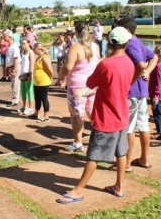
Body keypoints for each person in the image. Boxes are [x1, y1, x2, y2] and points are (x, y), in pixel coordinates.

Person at [56, 27, 134, 204]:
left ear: (110, 42)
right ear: (127, 43)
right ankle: (119, 186)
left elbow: (90, 83)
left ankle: (78, 190)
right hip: (122, 114)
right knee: (121, 153)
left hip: (107, 116)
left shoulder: (106, 64)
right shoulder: (128, 61)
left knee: (94, 155)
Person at [117, 17, 157, 171]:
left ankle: (126, 163)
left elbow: (140, 64)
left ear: (126, 30)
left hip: (131, 92)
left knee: (129, 128)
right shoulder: (137, 41)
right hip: (141, 91)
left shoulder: (130, 44)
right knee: (143, 126)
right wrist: (147, 70)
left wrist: (131, 80)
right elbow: (153, 57)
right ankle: (144, 159)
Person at [57, 22, 99, 152]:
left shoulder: (75, 47)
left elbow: (68, 67)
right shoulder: (95, 46)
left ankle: (78, 143)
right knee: (91, 111)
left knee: (76, 115)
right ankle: (98, 138)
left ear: (76, 32)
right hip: (92, 85)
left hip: (77, 86)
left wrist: (60, 78)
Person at [30, 43, 53, 122]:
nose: (33, 50)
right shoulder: (38, 57)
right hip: (37, 82)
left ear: (38, 49)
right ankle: (36, 113)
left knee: (44, 98)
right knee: (37, 98)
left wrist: (50, 78)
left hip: (43, 82)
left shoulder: (44, 57)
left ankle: (46, 115)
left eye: (34, 49)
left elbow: (50, 70)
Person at [148, 46, 161, 140]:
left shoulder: (158, 66)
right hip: (160, 91)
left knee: (157, 112)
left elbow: (159, 81)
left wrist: (156, 94)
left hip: (157, 92)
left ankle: (159, 131)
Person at [4, 30, 21, 107]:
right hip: (11, 66)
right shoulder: (9, 47)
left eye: (4, 36)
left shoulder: (14, 47)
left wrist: (14, 69)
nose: (3, 37)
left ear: (9, 37)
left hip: (15, 66)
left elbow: (16, 59)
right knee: (13, 83)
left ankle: (15, 100)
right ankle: (15, 98)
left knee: (15, 83)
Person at [18, 37, 35, 115]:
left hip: (28, 74)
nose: (23, 45)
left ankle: (31, 108)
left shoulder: (30, 52)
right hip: (23, 75)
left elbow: (32, 64)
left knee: (29, 91)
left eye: (24, 43)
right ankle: (24, 106)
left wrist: (30, 75)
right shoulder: (23, 52)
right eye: (22, 44)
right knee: (23, 91)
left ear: (28, 43)